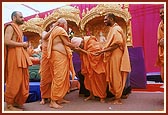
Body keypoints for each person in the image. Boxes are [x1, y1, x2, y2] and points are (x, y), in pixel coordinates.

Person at [95, 13, 131, 104]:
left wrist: (102, 51)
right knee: (112, 75)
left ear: (111, 19)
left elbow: (116, 44)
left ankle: (118, 99)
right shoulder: (113, 29)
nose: (104, 21)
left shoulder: (116, 29)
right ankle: (116, 95)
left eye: (105, 19)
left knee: (116, 76)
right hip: (113, 55)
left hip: (116, 55)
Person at [4, 11, 32, 111]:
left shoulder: (19, 28)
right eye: (21, 17)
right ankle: (9, 104)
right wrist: (22, 45)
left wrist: (24, 46)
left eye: (23, 17)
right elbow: (6, 41)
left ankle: (16, 101)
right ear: (14, 17)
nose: (23, 18)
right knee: (14, 79)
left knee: (22, 79)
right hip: (13, 56)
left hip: (20, 56)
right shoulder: (10, 27)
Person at [47, 18, 76, 109]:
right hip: (58, 56)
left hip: (60, 56)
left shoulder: (56, 30)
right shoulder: (60, 30)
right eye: (66, 24)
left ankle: (59, 98)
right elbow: (67, 43)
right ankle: (53, 101)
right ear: (63, 24)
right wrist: (77, 47)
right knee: (59, 77)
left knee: (63, 77)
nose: (67, 27)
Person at [71, 36, 107, 103]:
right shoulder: (83, 45)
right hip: (88, 66)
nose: (81, 47)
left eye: (80, 46)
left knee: (100, 80)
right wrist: (80, 51)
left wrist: (81, 50)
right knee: (88, 80)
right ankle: (91, 94)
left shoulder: (92, 42)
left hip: (97, 66)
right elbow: (83, 55)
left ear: (81, 42)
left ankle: (102, 96)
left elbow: (95, 54)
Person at [39, 22, 57, 105]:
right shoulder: (45, 32)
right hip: (45, 57)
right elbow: (45, 37)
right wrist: (53, 28)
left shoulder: (54, 35)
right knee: (44, 78)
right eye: (53, 26)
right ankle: (43, 97)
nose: (55, 27)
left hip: (52, 57)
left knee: (51, 77)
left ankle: (50, 96)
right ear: (50, 27)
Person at [156, 7, 164, 87]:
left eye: (163, 12)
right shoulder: (160, 24)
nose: (161, 14)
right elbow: (159, 39)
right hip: (163, 51)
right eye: (160, 13)